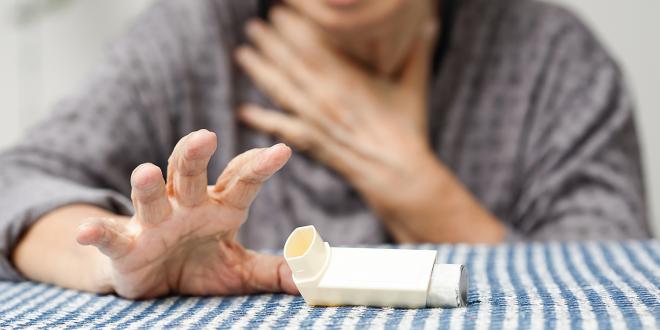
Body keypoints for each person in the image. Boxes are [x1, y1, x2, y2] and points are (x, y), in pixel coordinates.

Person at [0, 0, 649, 299]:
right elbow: (19, 183)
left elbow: (618, 282)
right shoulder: (194, 33)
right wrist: (114, 265)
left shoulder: (554, 57)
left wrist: (413, 182)